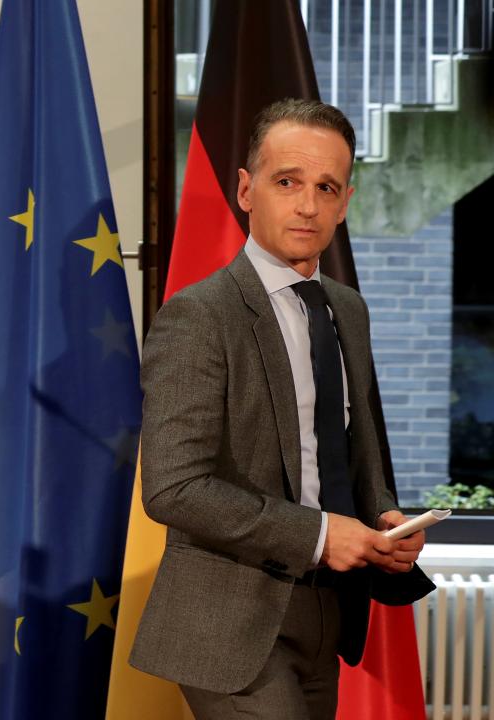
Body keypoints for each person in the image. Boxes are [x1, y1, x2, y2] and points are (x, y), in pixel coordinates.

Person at [129, 99, 427, 718]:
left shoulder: (348, 308)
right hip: (228, 619)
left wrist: (382, 521)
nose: (308, 205)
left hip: (330, 606)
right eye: (287, 181)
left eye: (326, 187)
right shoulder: (198, 316)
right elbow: (172, 489)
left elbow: (352, 446)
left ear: (345, 202)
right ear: (246, 190)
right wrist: (320, 534)